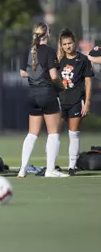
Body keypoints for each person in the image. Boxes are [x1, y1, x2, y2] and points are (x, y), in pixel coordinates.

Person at [17, 23, 68, 178]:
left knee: (32, 133)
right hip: (47, 94)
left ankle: (22, 169)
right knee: (53, 133)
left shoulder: (27, 51)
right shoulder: (50, 51)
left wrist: (37, 74)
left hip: (32, 95)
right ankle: (50, 170)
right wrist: (62, 86)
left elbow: (23, 74)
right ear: (48, 35)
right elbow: (54, 77)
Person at [57, 28, 93, 176]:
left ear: (75, 43)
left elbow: (88, 82)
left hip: (76, 101)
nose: (67, 46)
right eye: (64, 44)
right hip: (59, 102)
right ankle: (51, 164)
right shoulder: (57, 60)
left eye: (69, 43)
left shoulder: (83, 60)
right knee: (54, 134)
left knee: (73, 133)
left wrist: (88, 102)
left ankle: (72, 165)